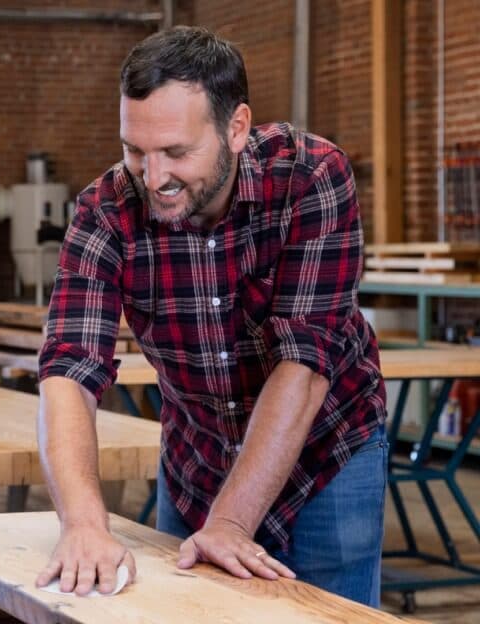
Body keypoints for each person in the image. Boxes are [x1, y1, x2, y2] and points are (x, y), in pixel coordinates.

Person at [35, 25, 387, 607]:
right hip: (197, 455)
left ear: (237, 127)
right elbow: (69, 369)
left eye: (176, 152)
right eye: (134, 151)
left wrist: (232, 523)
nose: (153, 178)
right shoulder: (105, 210)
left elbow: (304, 364)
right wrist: (83, 523)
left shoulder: (312, 178)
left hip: (327, 452)